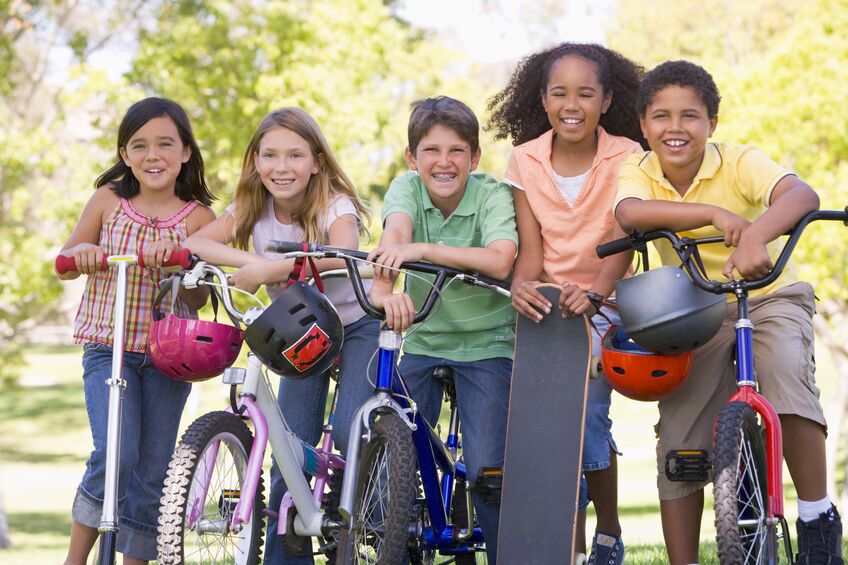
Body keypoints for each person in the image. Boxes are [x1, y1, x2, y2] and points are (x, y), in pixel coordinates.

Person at [614, 60, 843, 565]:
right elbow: (629, 213)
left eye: (690, 116)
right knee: (681, 429)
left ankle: (816, 516)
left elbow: (802, 194)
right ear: (644, 126)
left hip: (769, 295)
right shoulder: (638, 170)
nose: (675, 128)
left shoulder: (738, 161)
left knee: (785, 373)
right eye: (661, 117)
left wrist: (757, 235)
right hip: (696, 307)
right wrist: (714, 215)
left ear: (711, 124)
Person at [183, 107, 378, 565]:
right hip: (297, 332)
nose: (281, 167)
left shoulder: (335, 204)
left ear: (316, 162)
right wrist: (244, 264)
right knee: (287, 447)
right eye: (269, 155)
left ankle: (363, 527)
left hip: (355, 324)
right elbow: (197, 245)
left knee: (353, 429)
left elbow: (342, 254)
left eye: (294, 155)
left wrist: (269, 267)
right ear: (255, 162)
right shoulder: (254, 207)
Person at [487, 42, 646, 564]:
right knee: (547, 428)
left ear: (606, 100)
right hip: (549, 310)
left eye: (585, 93)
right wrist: (520, 286)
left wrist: (596, 293)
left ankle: (609, 533)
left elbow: (626, 239)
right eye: (560, 93)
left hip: (606, 304)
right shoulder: (524, 159)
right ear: (543, 99)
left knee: (587, 417)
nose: (571, 104)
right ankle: (566, 548)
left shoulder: (627, 155)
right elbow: (531, 252)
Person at [57, 97, 216, 564]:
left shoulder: (198, 219)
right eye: (140, 145)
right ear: (125, 154)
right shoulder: (109, 200)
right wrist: (85, 253)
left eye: (165, 143)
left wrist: (180, 268)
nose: (153, 155)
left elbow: (198, 299)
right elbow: (66, 262)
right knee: (115, 454)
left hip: (170, 356)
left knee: (154, 471)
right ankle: (74, 559)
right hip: (110, 347)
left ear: (185, 151)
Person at [368, 95, 517, 562]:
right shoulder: (406, 188)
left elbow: (500, 259)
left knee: (488, 469)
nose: (444, 162)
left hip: (489, 342)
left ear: (475, 157)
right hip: (428, 339)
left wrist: (425, 251)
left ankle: (503, 552)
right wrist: (385, 289)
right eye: (431, 150)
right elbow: (394, 236)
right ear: (413, 158)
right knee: (393, 444)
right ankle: (399, 535)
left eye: (457, 151)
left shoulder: (492, 193)